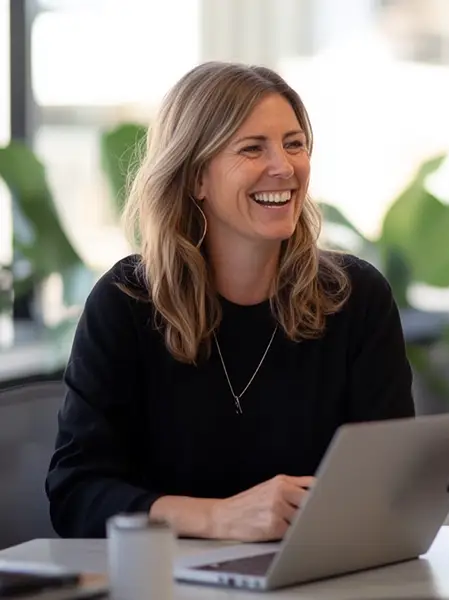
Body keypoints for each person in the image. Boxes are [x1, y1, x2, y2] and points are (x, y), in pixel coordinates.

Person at [45, 62, 415, 541]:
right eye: (252, 148)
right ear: (196, 178)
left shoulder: (355, 297)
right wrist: (218, 518)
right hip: (164, 576)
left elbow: (395, 485)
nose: (284, 167)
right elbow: (76, 493)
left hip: (318, 573)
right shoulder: (127, 302)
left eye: (294, 143)